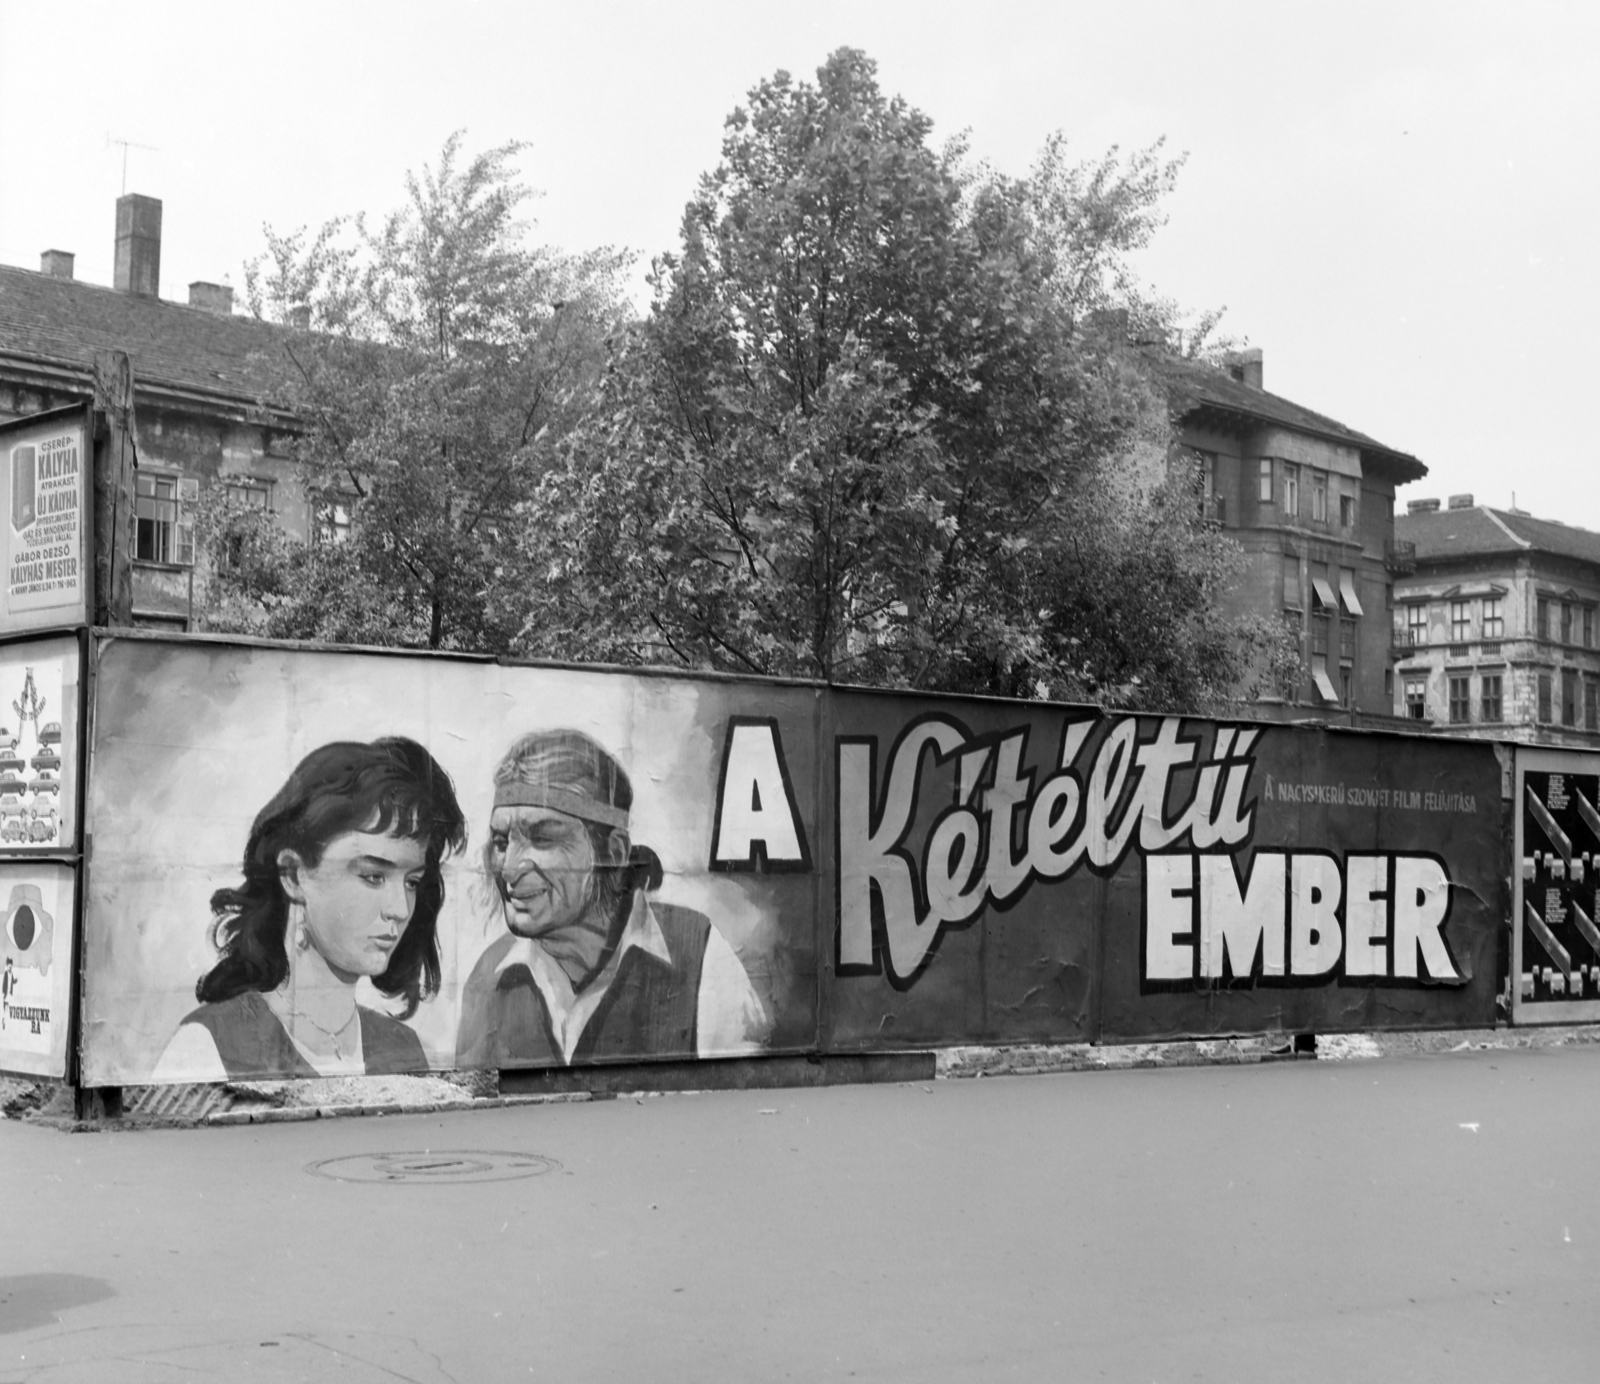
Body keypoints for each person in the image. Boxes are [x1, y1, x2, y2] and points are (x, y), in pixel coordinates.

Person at [154, 737, 466, 1081]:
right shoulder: (209, 1047)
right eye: (374, 876)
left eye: (411, 882)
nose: (399, 909)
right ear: (293, 875)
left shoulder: (403, 1049)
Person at [456, 729, 767, 1068]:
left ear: (614, 852)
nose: (509, 867)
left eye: (543, 838)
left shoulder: (698, 953)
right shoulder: (490, 977)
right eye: (501, 842)